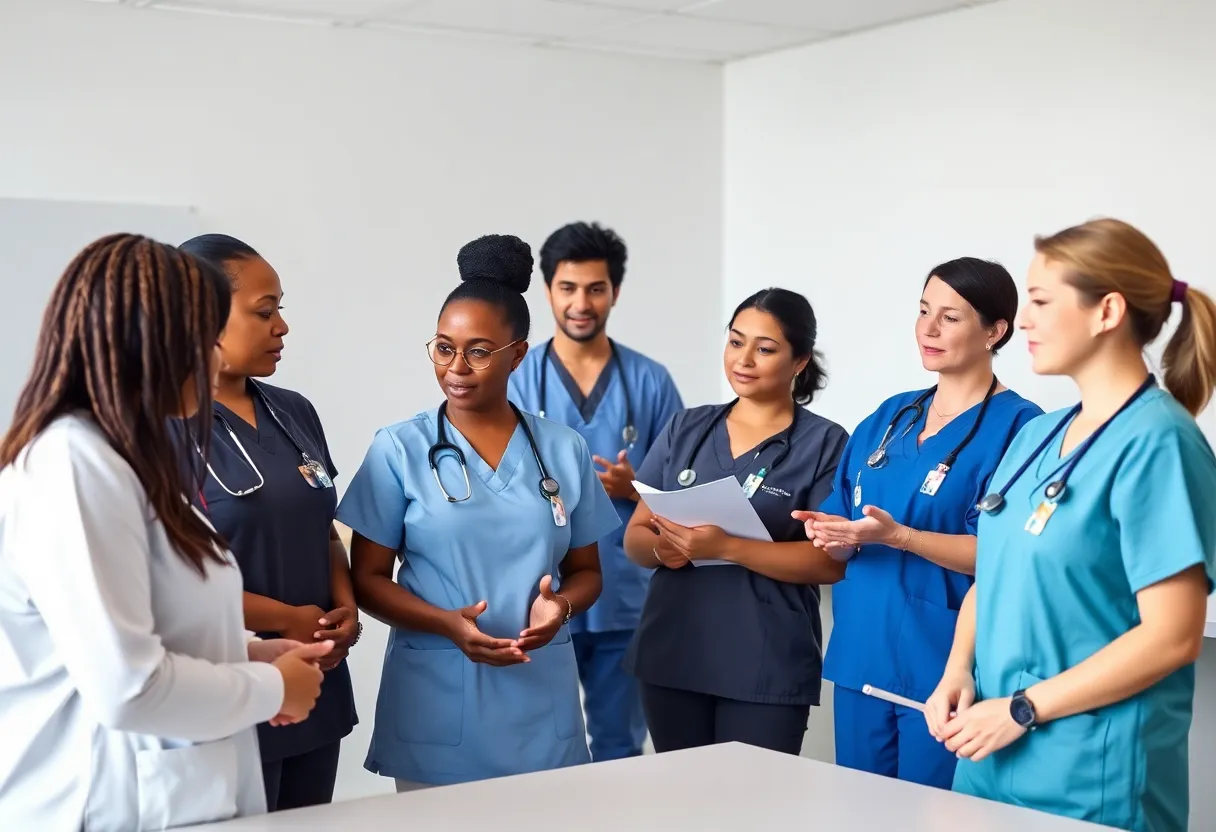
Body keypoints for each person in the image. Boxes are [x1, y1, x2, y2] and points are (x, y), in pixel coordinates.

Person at [0, 234, 331, 831]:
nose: (212, 361)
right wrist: (267, 686)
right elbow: (126, 688)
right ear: (156, 343)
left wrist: (247, 653)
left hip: (174, 791)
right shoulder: (73, 465)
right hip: (100, 800)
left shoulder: (129, 458)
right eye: (204, 340)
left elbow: (140, 629)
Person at [926, 219, 1216, 832]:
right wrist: (957, 670)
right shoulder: (1038, 435)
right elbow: (994, 572)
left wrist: (1026, 709)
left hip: (1090, 771)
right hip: (988, 753)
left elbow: (1172, 636)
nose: (1022, 321)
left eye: (1039, 301)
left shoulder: (1159, 444)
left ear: (1107, 310)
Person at [337, 233, 621, 790]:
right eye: (444, 348)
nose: (456, 367)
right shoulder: (399, 448)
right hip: (437, 695)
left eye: (479, 351)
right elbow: (366, 580)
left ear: (517, 353)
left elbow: (588, 573)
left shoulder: (564, 449)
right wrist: (447, 623)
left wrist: (559, 607)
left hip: (540, 699)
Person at [796, 258, 1042, 790]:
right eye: (924, 311)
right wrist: (832, 537)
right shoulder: (890, 416)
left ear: (995, 332)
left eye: (950, 318)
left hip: (946, 669)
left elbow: (1005, 554)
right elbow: (845, 523)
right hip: (863, 655)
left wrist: (899, 537)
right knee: (860, 815)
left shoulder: (1022, 427)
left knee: (933, 816)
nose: (928, 329)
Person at [621, 288, 848, 755]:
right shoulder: (687, 427)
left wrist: (725, 547)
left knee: (754, 813)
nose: (744, 359)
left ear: (800, 360)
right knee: (683, 807)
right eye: (735, 341)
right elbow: (636, 538)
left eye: (765, 349)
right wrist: (668, 547)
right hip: (674, 655)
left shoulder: (825, 444)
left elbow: (829, 564)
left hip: (764, 663)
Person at [177, 234, 359, 813]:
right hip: (233, 681)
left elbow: (323, 527)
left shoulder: (294, 410)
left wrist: (343, 610)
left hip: (317, 676)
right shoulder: (161, 430)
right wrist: (289, 620)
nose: (281, 326)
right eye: (264, 311)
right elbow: (173, 581)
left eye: (281, 308)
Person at [508, 221, 683, 762]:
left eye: (596, 288)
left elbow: (685, 491)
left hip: (625, 598)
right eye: (569, 288)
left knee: (617, 746)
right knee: (536, 748)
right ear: (547, 290)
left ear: (615, 293)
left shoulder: (651, 382)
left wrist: (638, 487)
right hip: (534, 596)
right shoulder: (515, 377)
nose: (581, 303)